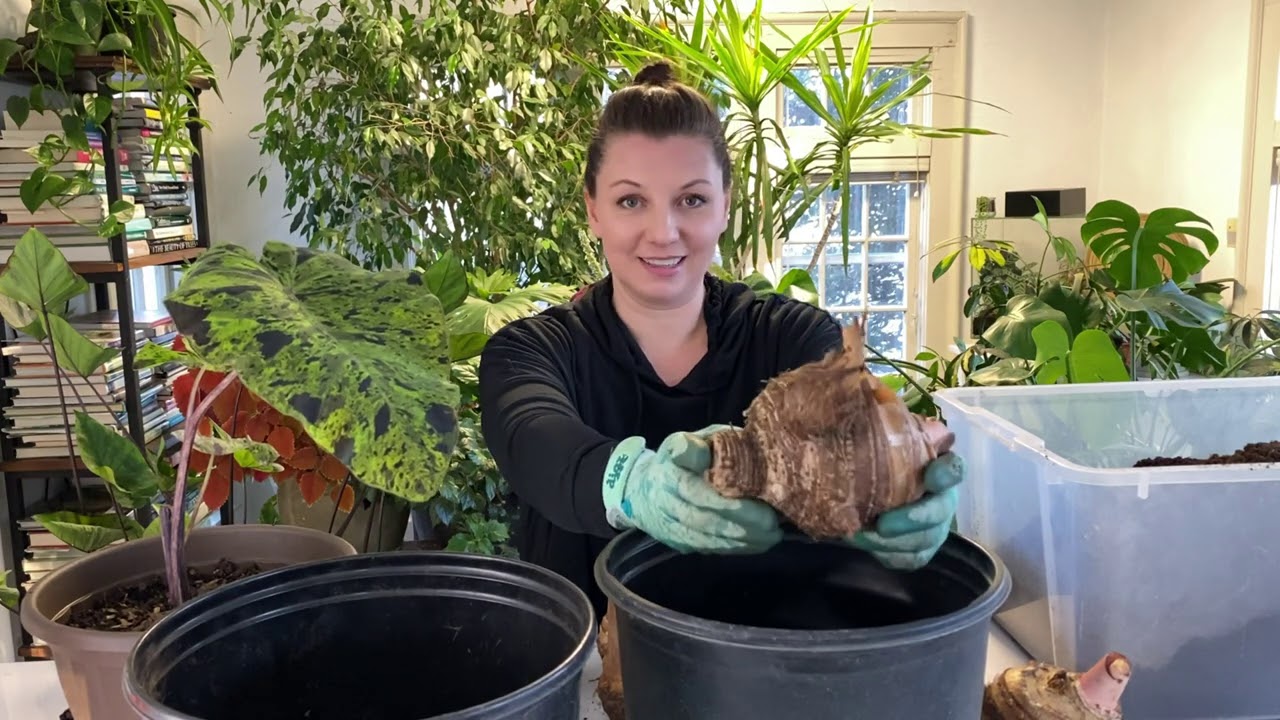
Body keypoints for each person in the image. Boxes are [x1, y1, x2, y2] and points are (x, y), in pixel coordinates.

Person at [477, 60, 964, 618]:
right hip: (588, 668)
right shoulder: (531, 352)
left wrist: (904, 486)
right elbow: (537, 441)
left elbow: (854, 431)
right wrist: (634, 482)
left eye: (692, 200)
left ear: (726, 206)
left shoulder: (792, 335)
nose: (663, 233)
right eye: (631, 200)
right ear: (593, 211)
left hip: (768, 658)